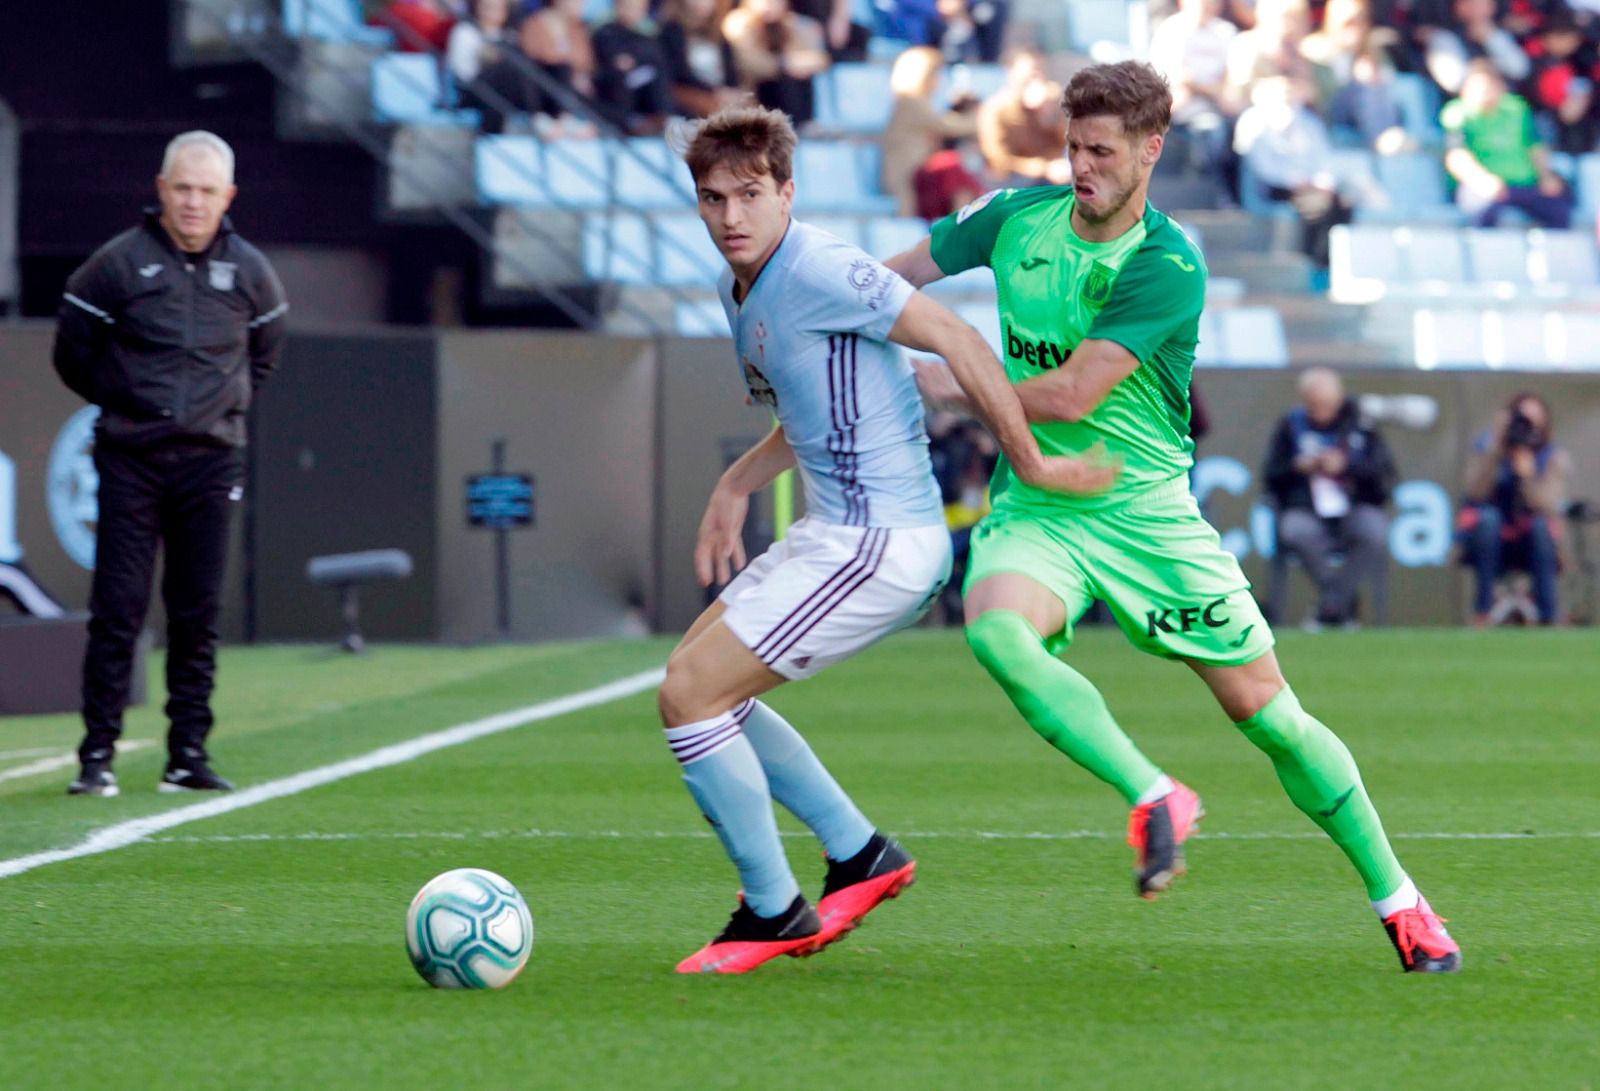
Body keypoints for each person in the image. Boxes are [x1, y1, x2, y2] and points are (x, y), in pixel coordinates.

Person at [886, 61, 1461, 973]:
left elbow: (1075, 393)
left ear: (1151, 151)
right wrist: (806, 310)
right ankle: (1153, 792)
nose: (1082, 167)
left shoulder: (1166, 261)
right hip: (1044, 504)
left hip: (1148, 514)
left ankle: (1401, 897)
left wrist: (950, 385)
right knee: (996, 631)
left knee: (1269, 718)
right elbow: (887, 285)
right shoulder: (1009, 218)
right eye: (1073, 147)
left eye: (1103, 151)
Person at [663, 103, 1111, 974]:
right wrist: (731, 486)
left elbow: (957, 338)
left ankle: (773, 910)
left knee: (690, 696)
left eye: (751, 194)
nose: (733, 216)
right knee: (701, 686)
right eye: (714, 199)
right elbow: (812, 412)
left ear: (787, 192)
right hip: (835, 530)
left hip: (883, 541)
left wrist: (1032, 461)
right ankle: (859, 854)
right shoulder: (739, 290)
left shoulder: (825, 267)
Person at [52, 131, 287, 797]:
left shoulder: (251, 272)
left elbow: (263, 356)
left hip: (211, 464)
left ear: (228, 197)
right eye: (182, 188)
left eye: (206, 191)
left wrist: (221, 410)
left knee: (197, 612)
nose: (192, 202)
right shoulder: (115, 265)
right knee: (117, 610)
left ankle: (187, 753)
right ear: (161, 190)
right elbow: (73, 353)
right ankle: (95, 756)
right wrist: (128, 404)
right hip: (131, 460)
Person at [1262, 367, 1396, 628]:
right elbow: (1270, 475)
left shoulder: (1361, 426)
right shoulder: (1291, 425)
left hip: (1354, 508)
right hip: (1306, 509)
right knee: (1294, 530)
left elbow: (1384, 475)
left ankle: (1330, 605)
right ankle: (1341, 601)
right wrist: (1298, 467)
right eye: (1313, 405)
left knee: (1374, 531)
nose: (1319, 412)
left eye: (1325, 405)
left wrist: (1347, 466)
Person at [1459, 391, 1570, 625]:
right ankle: (1483, 611)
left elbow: (1549, 507)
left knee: (1541, 527)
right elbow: (1474, 492)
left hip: (1533, 544)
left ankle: (1548, 615)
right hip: (1490, 542)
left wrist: (1528, 476)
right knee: (1488, 519)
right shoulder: (1488, 449)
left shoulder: (1551, 457)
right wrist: (1496, 450)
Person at [1441, 59, 1573, 228]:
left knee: (1559, 208)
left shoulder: (1517, 109)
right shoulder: (1457, 114)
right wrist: (1482, 180)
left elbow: (1535, 147)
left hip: (1524, 184)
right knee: (1481, 210)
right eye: (1480, 87)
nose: (1485, 93)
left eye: (1490, 86)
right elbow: (1456, 156)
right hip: (1482, 184)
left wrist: (1546, 176)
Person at [881, 46, 979, 216]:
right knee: (951, 165)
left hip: (921, 175)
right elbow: (947, 126)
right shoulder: (909, 102)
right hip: (908, 179)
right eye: (934, 74)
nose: (939, 80)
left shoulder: (921, 103)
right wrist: (983, 118)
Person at [592, 0, 675, 132]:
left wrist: (635, 59)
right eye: (629, 7)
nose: (633, 12)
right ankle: (626, 123)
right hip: (610, 84)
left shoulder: (644, 35)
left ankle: (664, 117)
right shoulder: (606, 32)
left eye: (638, 8)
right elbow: (619, 63)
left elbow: (654, 57)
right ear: (618, 7)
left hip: (639, 81)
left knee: (658, 73)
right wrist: (637, 59)